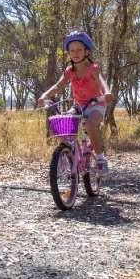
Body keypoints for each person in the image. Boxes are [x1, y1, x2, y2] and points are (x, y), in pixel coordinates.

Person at [37, 31, 114, 174]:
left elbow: (102, 83)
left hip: (95, 105)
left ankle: (100, 158)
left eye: (79, 49)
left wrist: (107, 93)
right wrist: (44, 95)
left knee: (90, 124)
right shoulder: (69, 71)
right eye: (72, 50)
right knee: (62, 123)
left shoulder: (93, 68)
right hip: (78, 105)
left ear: (87, 51)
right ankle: (65, 156)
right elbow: (58, 86)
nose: (75, 53)